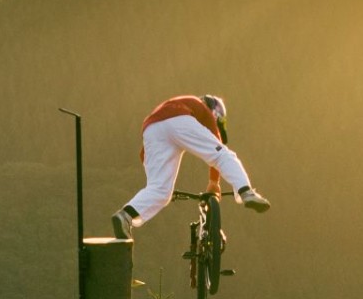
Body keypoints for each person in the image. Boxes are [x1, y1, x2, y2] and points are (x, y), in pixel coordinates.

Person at [112, 93, 270, 239]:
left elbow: (144, 155)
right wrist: (214, 183)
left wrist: (161, 177)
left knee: (160, 189)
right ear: (216, 115)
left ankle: (126, 215)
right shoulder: (204, 110)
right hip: (179, 120)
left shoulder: (181, 104)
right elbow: (218, 146)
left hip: (151, 127)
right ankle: (246, 192)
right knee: (224, 155)